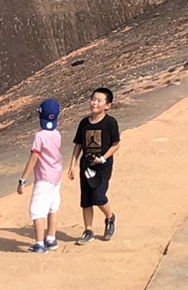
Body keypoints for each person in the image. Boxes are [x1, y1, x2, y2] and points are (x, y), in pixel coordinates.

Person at [71, 87, 120, 244]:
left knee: (98, 196)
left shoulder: (110, 122)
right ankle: (88, 230)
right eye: (93, 99)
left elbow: (116, 144)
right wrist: (72, 165)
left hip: (102, 167)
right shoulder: (84, 123)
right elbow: (78, 145)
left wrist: (103, 159)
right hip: (85, 166)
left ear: (107, 105)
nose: (94, 103)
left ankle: (110, 217)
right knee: (86, 200)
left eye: (99, 100)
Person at [16, 99, 64, 253]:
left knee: (37, 209)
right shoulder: (57, 134)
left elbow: (34, 158)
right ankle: (51, 238)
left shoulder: (39, 136)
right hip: (56, 175)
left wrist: (23, 180)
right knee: (52, 206)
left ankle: (39, 243)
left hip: (44, 178)